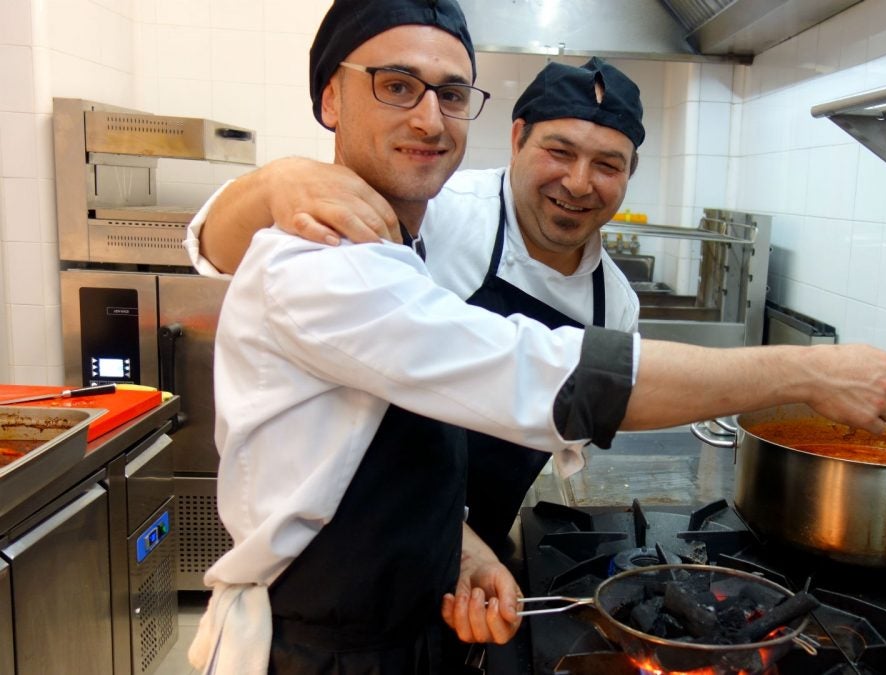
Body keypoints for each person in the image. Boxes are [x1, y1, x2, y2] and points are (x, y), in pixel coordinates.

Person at [186, 1, 886, 673]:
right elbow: (532, 373)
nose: (429, 120)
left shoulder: (596, 294)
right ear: (331, 98)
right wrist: (808, 373)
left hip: (420, 594)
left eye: (449, 95)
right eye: (396, 85)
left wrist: (458, 542)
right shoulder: (358, 244)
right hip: (325, 643)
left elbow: (387, 427)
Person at [188, 57, 651, 554]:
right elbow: (219, 249)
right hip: (348, 540)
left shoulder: (614, 307)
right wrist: (273, 182)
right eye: (559, 152)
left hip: (478, 565)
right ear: (518, 139)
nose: (579, 183)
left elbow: (557, 423)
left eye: (607, 165)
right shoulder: (433, 206)